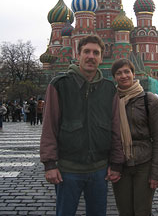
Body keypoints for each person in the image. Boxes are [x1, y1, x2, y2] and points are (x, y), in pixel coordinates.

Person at [40, 35, 124, 216]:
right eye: (86, 51)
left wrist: (116, 163)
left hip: (100, 170)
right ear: (78, 54)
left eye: (96, 53)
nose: (91, 56)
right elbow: (49, 127)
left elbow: (116, 129)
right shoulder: (59, 85)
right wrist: (49, 164)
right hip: (68, 170)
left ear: (102, 57)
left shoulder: (109, 89)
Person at [111, 58, 158, 216]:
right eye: (119, 73)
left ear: (133, 74)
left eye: (127, 71)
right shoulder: (112, 101)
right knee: (125, 211)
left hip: (144, 164)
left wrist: (156, 173)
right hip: (120, 165)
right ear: (114, 77)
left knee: (142, 211)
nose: (123, 76)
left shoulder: (149, 100)